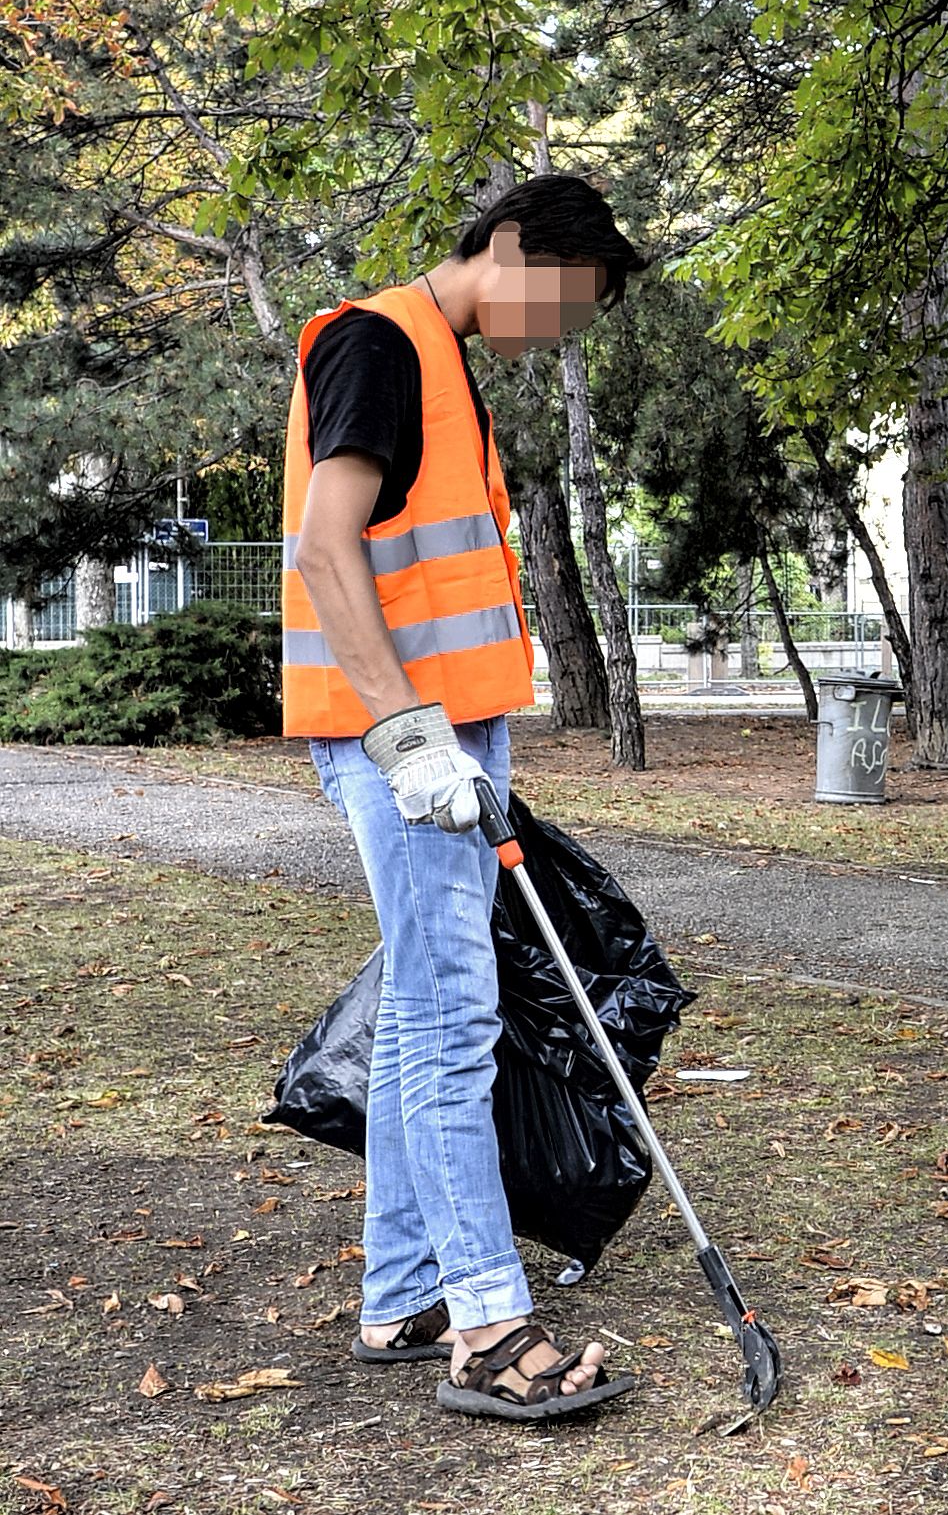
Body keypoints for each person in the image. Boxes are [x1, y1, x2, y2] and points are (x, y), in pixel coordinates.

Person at [281, 175, 651, 1421]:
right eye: (566, 302)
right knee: (450, 1017)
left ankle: (402, 1290)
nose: (561, 333)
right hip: (408, 744)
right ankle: (490, 1323)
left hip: (443, 737)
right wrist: (406, 736)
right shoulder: (379, 342)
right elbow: (326, 548)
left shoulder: (440, 360)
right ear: (507, 246)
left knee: (426, 1010)